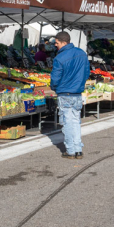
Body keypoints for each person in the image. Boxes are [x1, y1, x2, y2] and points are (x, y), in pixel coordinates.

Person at [50, 31, 89, 160]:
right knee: (76, 121)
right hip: (77, 93)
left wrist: (55, 88)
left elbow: (55, 78)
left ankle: (71, 150)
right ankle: (78, 149)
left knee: (67, 123)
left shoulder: (59, 58)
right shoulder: (82, 54)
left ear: (63, 42)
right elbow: (87, 72)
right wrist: (80, 84)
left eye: (57, 43)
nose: (55, 45)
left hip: (64, 93)